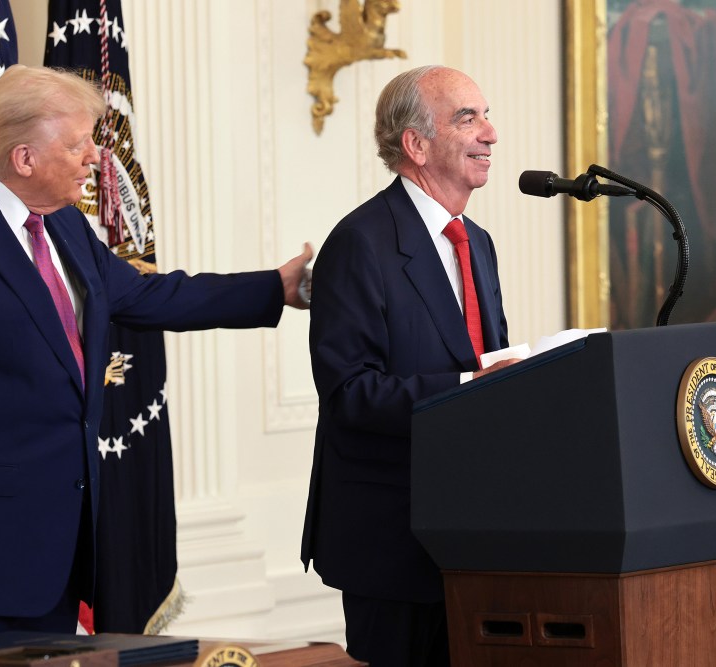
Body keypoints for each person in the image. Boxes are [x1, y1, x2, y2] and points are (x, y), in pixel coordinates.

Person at [0, 65, 312, 643]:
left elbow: (146, 293)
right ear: (25, 158)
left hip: (56, 552)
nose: (96, 156)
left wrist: (277, 287)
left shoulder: (64, 225)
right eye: (78, 144)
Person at [301, 65, 517, 666]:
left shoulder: (477, 242)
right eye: (467, 118)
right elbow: (350, 392)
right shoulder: (360, 242)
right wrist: (468, 389)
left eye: (486, 114)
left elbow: (484, 360)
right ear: (416, 145)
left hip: (475, 530)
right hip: (392, 540)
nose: (490, 133)